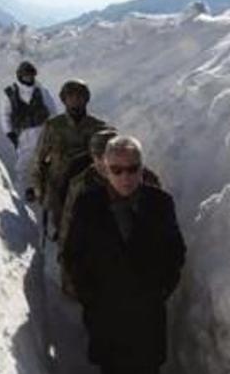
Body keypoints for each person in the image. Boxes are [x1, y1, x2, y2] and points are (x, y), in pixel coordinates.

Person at [62, 136, 185, 374]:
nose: (125, 177)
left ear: (142, 169)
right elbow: (73, 255)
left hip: (147, 310)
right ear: (104, 169)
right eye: (117, 170)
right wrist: (90, 297)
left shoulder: (160, 204)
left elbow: (176, 253)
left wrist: (161, 290)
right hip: (105, 309)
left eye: (132, 169)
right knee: (111, 369)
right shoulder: (88, 204)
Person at [58, 128, 162, 299]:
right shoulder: (81, 185)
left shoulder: (145, 178)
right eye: (99, 158)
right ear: (93, 159)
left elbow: (160, 223)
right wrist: (70, 279)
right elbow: (68, 231)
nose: (104, 163)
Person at [29, 79, 108, 238]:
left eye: (79, 96)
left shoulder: (98, 127)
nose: (75, 100)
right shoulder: (53, 126)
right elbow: (38, 160)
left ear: (86, 99)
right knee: (64, 230)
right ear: (64, 100)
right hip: (58, 187)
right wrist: (38, 189)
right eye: (70, 96)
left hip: (89, 184)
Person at [0, 60, 60, 202]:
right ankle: (25, 195)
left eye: (30, 75)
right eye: (25, 75)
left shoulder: (41, 91)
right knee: (24, 164)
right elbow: (5, 114)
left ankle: (46, 191)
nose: (28, 78)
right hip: (23, 134)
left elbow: (52, 111)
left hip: (42, 130)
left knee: (46, 161)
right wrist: (9, 133)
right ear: (19, 76)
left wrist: (54, 129)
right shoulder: (10, 93)